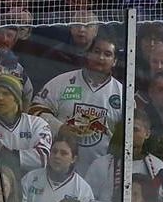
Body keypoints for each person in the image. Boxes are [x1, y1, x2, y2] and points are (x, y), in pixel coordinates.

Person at [30, 35, 123, 174]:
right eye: (96, 52)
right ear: (87, 54)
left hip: (101, 175)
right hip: (58, 170)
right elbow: (34, 110)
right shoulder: (62, 82)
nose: (101, 58)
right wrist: (59, 128)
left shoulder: (122, 94)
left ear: (115, 61)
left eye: (107, 54)